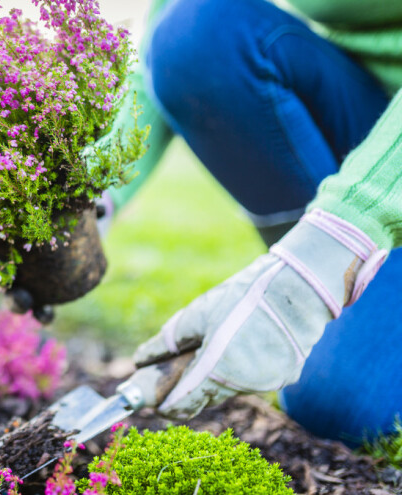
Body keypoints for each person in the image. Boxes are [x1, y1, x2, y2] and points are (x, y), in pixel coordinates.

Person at [99, 0, 402, 447]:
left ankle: (326, 270)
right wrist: (93, 197)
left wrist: (335, 245)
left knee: (347, 407)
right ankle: (330, 280)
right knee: (199, 35)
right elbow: (168, 30)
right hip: (370, 115)